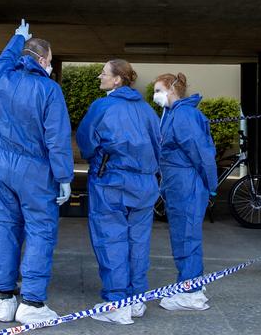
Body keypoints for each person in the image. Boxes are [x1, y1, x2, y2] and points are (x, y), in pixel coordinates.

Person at [0, 20, 74, 326]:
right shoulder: (49, 89)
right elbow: (57, 138)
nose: (51, 65)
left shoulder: (2, 77)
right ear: (41, 60)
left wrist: (16, 38)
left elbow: (3, 60)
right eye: (49, 60)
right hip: (35, 170)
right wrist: (64, 177)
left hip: (1, 166)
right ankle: (33, 303)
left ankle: (3, 299)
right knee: (40, 231)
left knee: (5, 228)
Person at [76, 59, 161, 325]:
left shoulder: (102, 106)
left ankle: (116, 303)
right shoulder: (147, 109)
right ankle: (136, 299)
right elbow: (158, 144)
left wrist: (97, 160)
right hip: (145, 183)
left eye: (104, 73)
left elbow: (86, 140)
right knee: (138, 241)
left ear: (117, 80)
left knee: (111, 239)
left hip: (111, 181)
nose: (100, 76)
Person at [152, 73, 218, 311]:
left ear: (171, 89)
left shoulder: (184, 115)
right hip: (178, 183)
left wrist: (211, 185)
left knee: (186, 236)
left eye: (158, 90)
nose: (155, 95)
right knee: (182, 235)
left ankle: (191, 293)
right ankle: (191, 283)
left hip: (186, 183)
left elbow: (202, 154)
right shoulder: (173, 113)